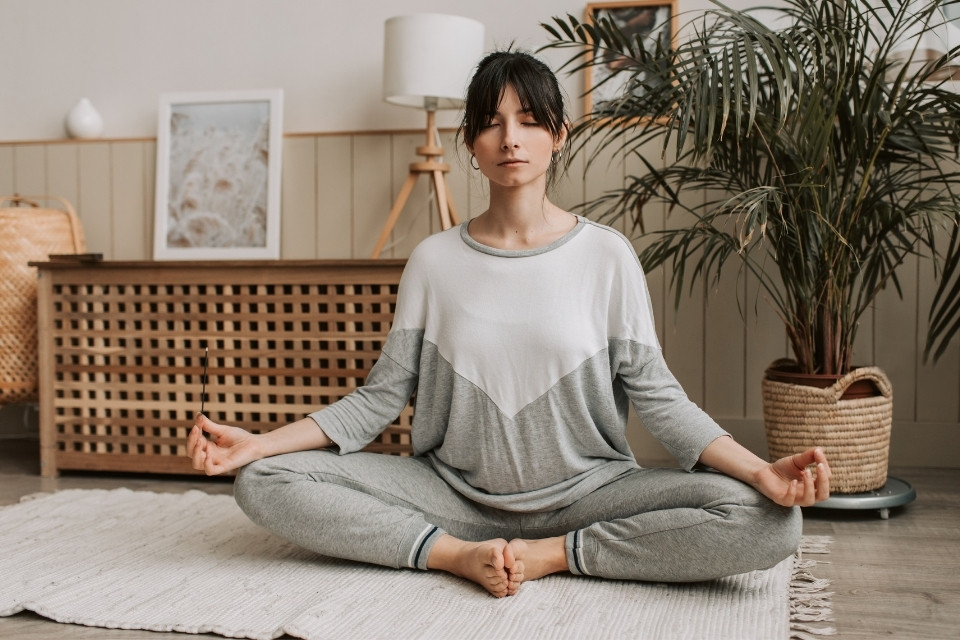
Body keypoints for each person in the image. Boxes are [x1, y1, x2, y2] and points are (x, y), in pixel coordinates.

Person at [187, 49, 831, 599]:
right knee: (264, 482)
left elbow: (659, 398)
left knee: (771, 522)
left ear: (560, 133)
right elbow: (379, 398)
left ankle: (557, 553)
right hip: (451, 496)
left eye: (528, 120)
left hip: (591, 492)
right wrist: (261, 443)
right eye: (492, 124)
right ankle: (452, 555)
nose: (511, 138)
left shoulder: (606, 256)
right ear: (471, 142)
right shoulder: (434, 261)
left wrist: (758, 472)